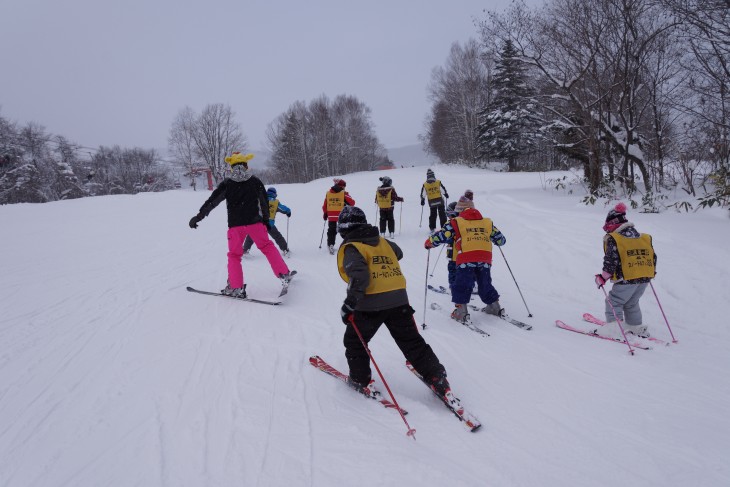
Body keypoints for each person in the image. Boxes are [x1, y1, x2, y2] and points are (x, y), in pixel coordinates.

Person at [336, 206, 461, 404]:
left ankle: (360, 379)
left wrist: (349, 304)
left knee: (355, 341)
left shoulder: (352, 247)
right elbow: (398, 252)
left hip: (370, 304)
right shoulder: (383, 242)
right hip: (398, 299)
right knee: (411, 341)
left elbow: (360, 278)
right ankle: (436, 377)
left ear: (343, 229)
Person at [188, 152, 295, 298]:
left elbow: (212, 201)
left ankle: (236, 287)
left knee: (234, 256)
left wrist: (199, 216)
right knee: (267, 247)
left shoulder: (227, 184)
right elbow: (264, 201)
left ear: (232, 166)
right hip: (254, 222)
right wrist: (265, 220)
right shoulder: (254, 181)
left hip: (236, 226)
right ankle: (284, 274)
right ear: (246, 165)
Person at [425, 197, 506, 323]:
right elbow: (501, 240)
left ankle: (461, 311)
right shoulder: (486, 222)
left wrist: (429, 243)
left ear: (459, 210)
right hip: (485, 256)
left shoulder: (456, 222)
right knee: (485, 282)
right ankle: (494, 306)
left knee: (462, 284)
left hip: (466, 257)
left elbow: (442, 235)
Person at [594, 202, 657, 338]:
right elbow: (653, 257)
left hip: (627, 278)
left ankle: (614, 328)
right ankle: (636, 327)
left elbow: (611, 261)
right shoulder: (642, 237)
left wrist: (603, 277)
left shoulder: (616, 239)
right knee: (631, 302)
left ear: (613, 223)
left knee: (614, 301)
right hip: (645, 277)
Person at [243, 187, 291, 257]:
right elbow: (284, 209)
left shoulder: (259, 199)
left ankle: (245, 250)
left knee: (251, 235)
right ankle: (285, 249)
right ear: (274, 194)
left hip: (258, 223)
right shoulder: (275, 202)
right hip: (269, 224)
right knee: (277, 236)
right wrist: (288, 212)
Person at [322, 178, 355, 255]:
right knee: (345, 229)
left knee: (331, 231)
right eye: (344, 186)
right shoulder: (343, 193)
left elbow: (325, 206)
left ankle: (330, 244)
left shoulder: (328, 193)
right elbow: (352, 203)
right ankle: (347, 243)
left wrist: (325, 213)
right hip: (342, 215)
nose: (344, 188)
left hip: (331, 216)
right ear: (342, 186)